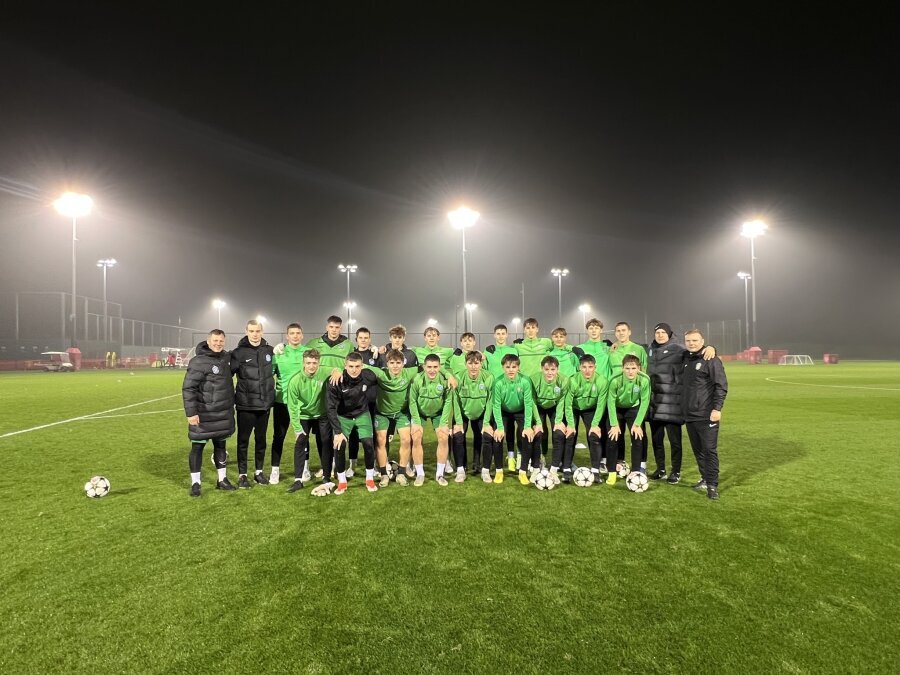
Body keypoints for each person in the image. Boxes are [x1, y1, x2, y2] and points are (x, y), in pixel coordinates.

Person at [182, 329, 236, 496]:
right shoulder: (198, 361)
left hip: (222, 413)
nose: (218, 343)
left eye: (221, 341)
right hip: (204, 414)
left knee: (220, 445)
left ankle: (222, 480)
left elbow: (242, 353)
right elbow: (189, 388)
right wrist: (191, 413)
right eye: (215, 340)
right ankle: (196, 483)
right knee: (197, 447)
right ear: (208, 341)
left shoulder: (226, 358)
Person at [682, 328, 728, 500]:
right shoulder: (686, 358)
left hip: (707, 414)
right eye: (688, 341)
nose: (691, 344)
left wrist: (717, 409)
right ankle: (705, 478)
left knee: (709, 450)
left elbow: (721, 385)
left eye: (695, 340)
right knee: (698, 450)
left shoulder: (711, 359)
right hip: (690, 414)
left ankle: (713, 485)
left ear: (702, 341)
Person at [325, 352, 380, 495]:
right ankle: (342, 482)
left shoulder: (368, 375)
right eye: (350, 366)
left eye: (357, 366)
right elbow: (330, 408)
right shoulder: (336, 381)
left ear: (362, 366)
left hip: (362, 414)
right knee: (339, 445)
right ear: (345, 366)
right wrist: (337, 432)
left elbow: (383, 373)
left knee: (369, 444)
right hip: (343, 416)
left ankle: (369, 479)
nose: (354, 369)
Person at [231, 319, 275, 488]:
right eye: (251, 331)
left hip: (264, 405)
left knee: (261, 440)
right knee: (243, 441)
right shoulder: (238, 353)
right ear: (246, 331)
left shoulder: (270, 351)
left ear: (262, 332)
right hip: (245, 405)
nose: (255, 334)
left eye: (258, 331)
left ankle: (258, 472)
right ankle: (242, 475)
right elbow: (227, 374)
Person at [361, 349, 415, 488]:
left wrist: (448, 375)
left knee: (406, 439)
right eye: (392, 363)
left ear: (403, 363)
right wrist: (336, 370)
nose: (395, 366)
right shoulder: (381, 373)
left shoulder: (409, 373)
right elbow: (360, 365)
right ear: (387, 363)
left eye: (398, 363)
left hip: (401, 412)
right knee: (380, 441)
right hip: (382, 413)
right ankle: (384, 474)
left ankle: (401, 473)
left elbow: (428, 367)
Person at [285, 349, 333, 493]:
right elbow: (292, 407)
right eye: (308, 363)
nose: (311, 366)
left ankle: (326, 476)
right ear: (303, 363)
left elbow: (342, 368)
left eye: (314, 363)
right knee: (300, 442)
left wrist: (336, 371)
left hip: (322, 415)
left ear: (319, 363)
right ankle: (298, 480)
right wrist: (297, 428)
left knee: (325, 442)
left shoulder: (324, 372)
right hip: (304, 416)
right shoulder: (295, 380)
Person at [646, 322, 686, 484]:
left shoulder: (679, 349)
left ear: (669, 334)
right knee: (657, 440)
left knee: (675, 441)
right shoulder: (650, 350)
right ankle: (660, 469)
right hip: (655, 403)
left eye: (663, 332)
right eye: (657, 332)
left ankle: (675, 471)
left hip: (672, 404)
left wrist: (711, 348)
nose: (660, 335)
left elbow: (695, 352)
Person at [409, 354, 457, 486]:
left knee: (443, 437)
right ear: (424, 367)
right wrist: (417, 423)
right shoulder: (417, 380)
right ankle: (420, 474)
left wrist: (443, 423)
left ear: (440, 367)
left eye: (435, 367)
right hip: (420, 413)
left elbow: (448, 401)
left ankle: (440, 474)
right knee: (416, 437)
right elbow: (412, 402)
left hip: (438, 413)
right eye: (429, 367)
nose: (432, 370)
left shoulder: (445, 380)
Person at [272, 323, 309, 485]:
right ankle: (275, 470)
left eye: (298, 333)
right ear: (287, 336)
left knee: (302, 437)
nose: (295, 336)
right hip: (282, 402)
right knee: (278, 437)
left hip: (301, 404)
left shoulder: (307, 353)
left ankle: (305, 467)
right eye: (292, 333)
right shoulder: (279, 352)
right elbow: (268, 374)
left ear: (302, 335)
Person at [491, 353, 536, 485]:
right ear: (503, 367)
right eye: (507, 367)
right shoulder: (498, 382)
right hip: (504, 412)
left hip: (521, 411)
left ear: (518, 368)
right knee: (497, 437)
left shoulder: (525, 381)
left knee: (527, 436)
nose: (511, 370)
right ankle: (499, 471)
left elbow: (528, 404)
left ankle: (523, 472)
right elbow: (496, 405)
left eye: (514, 367)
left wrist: (528, 426)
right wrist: (499, 427)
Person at [451, 351, 496, 483]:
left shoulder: (488, 377)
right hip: (463, 412)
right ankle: (460, 469)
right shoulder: (458, 377)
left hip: (482, 412)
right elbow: (456, 401)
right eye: (470, 363)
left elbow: (490, 401)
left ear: (481, 363)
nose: (473, 367)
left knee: (486, 436)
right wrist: (458, 422)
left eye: (476, 363)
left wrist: (487, 422)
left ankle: (484, 470)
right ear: (465, 364)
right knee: (458, 435)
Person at [606, 354, 651, 485]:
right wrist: (614, 424)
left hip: (634, 408)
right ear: (622, 368)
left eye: (633, 368)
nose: (630, 371)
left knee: (637, 437)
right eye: (627, 368)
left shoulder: (644, 380)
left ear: (638, 368)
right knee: (612, 438)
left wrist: (637, 424)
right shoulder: (614, 380)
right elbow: (610, 402)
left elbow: (644, 402)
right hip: (617, 409)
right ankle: (612, 472)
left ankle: (636, 472)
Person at [530, 355, 576, 484]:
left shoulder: (564, 380)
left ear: (557, 369)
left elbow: (562, 400)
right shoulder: (533, 379)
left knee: (559, 434)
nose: (550, 373)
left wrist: (558, 421)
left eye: (553, 370)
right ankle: (537, 463)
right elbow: (532, 401)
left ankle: (554, 469)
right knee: (538, 433)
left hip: (555, 407)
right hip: (538, 407)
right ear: (542, 369)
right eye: (546, 369)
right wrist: (538, 422)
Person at [566, 353, 609, 482]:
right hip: (574, 409)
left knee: (594, 436)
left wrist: (595, 425)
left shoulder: (602, 381)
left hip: (591, 409)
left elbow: (601, 405)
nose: (587, 370)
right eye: (584, 367)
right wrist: (571, 425)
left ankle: (595, 471)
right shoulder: (572, 380)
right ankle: (567, 469)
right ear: (579, 367)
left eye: (590, 367)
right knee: (570, 435)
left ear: (595, 367)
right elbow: (567, 404)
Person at [347, 326, 383, 478]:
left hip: (371, 401)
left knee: (373, 435)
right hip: (354, 402)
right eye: (361, 338)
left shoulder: (375, 355)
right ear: (356, 339)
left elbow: (381, 374)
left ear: (370, 339)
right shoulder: (352, 355)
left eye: (366, 337)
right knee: (354, 434)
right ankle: (352, 464)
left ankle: (373, 464)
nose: (363, 340)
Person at [483, 324, 519, 470]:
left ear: (507, 334)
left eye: (503, 333)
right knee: (496, 426)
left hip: (510, 391)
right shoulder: (489, 351)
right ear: (494, 335)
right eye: (498, 333)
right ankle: (493, 457)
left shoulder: (513, 350)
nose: (500, 336)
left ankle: (511, 457)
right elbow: (483, 368)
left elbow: (517, 367)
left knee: (510, 427)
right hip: (494, 393)